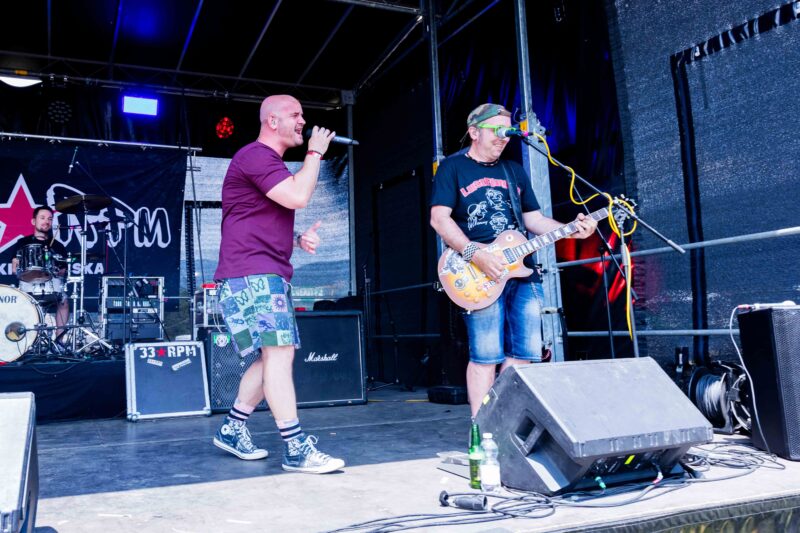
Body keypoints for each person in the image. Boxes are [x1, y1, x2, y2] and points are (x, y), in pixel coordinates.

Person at [429, 103, 598, 419]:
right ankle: (481, 429)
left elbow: (534, 220)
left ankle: (501, 422)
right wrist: (476, 254)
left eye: (507, 131)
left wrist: (572, 231)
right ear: (474, 132)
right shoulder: (452, 168)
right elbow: (439, 219)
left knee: (524, 354)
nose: (503, 137)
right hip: (478, 272)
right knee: (485, 356)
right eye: (496, 130)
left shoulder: (514, 171)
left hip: (522, 272)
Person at [212, 94, 345, 474]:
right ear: (272, 121)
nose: (303, 121)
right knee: (280, 352)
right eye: (295, 114)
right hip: (252, 275)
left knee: (270, 355)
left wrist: (297, 239)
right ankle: (296, 448)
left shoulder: (266, 163)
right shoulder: (255, 155)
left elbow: (255, 218)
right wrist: (315, 153)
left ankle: (232, 428)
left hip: (258, 272)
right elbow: (298, 196)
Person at [12, 206, 70, 337]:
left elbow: (63, 271)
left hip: (51, 284)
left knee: (64, 301)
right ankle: (25, 339)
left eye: (50, 219)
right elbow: (15, 268)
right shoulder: (23, 242)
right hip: (27, 284)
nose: (46, 221)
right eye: (42, 218)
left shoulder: (58, 246)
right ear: (34, 221)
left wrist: (55, 270)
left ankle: (59, 340)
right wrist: (28, 273)